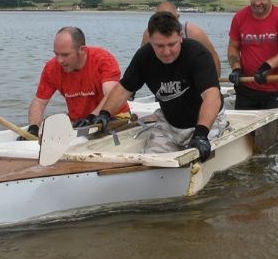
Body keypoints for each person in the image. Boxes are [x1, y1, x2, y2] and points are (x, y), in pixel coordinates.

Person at [94, 11, 224, 162]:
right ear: (150, 40)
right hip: (170, 124)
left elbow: (212, 97)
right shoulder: (144, 56)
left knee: (197, 156)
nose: (167, 52)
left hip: (206, 123)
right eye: (159, 46)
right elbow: (124, 88)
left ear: (180, 36)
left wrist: (201, 135)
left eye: (172, 44)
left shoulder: (197, 54)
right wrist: (104, 114)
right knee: (150, 159)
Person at [20, 26, 130, 139]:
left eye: (65, 55)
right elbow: (39, 102)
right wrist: (33, 128)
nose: (60, 60)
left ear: (82, 50)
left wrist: (92, 117)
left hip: (113, 117)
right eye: (56, 54)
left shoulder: (103, 60)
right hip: (78, 122)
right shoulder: (52, 68)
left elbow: (111, 94)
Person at [141, 1, 221, 78]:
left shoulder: (194, 33)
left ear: (178, 17)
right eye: (161, 19)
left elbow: (214, 58)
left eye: (170, 18)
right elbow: (142, 63)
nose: (166, 23)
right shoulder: (148, 35)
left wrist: (214, 84)